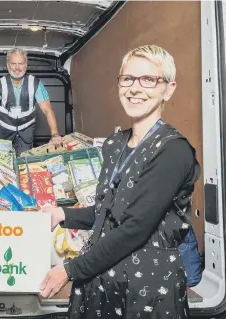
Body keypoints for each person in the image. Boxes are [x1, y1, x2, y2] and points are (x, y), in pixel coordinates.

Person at [39, 45, 201, 318]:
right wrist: (61, 214)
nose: (135, 88)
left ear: (168, 89)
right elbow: (108, 211)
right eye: (128, 79)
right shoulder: (114, 145)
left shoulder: (172, 151)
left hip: (147, 289)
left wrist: (70, 270)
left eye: (149, 80)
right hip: (103, 280)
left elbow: (135, 228)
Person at [0, 48, 62, 156]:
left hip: (26, 134)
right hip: (5, 135)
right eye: (13, 63)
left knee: (23, 164)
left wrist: (55, 134)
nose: (17, 68)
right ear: (8, 65)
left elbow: (48, 110)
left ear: (26, 64)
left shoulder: (36, 84)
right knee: (3, 164)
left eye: (20, 63)